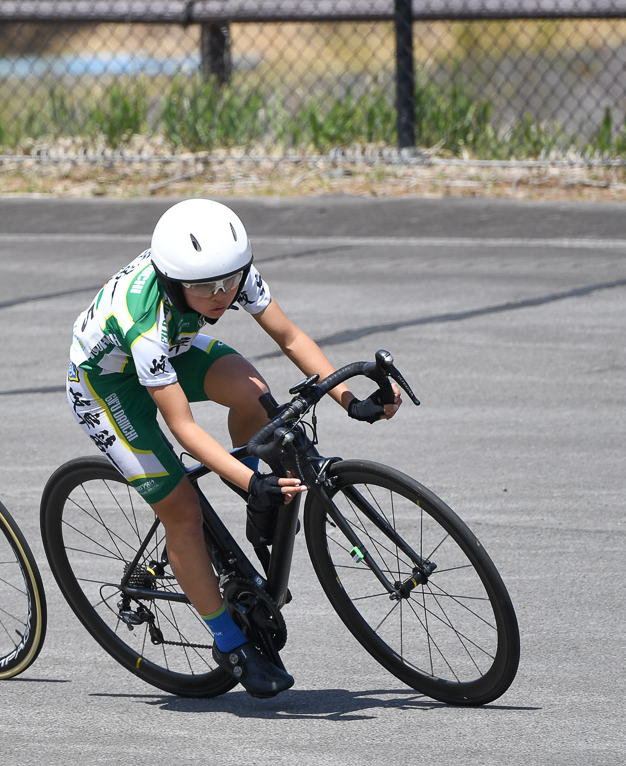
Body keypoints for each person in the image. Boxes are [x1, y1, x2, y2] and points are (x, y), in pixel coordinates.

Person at [67, 198, 401, 698]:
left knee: (254, 393)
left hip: (174, 350)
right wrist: (254, 479)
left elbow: (288, 335)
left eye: (229, 281)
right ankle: (231, 644)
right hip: (109, 384)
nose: (221, 295)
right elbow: (183, 427)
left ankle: (248, 489)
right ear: (175, 279)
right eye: (205, 287)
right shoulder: (143, 322)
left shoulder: (224, 272)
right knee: (181, 512)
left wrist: (348, 399)